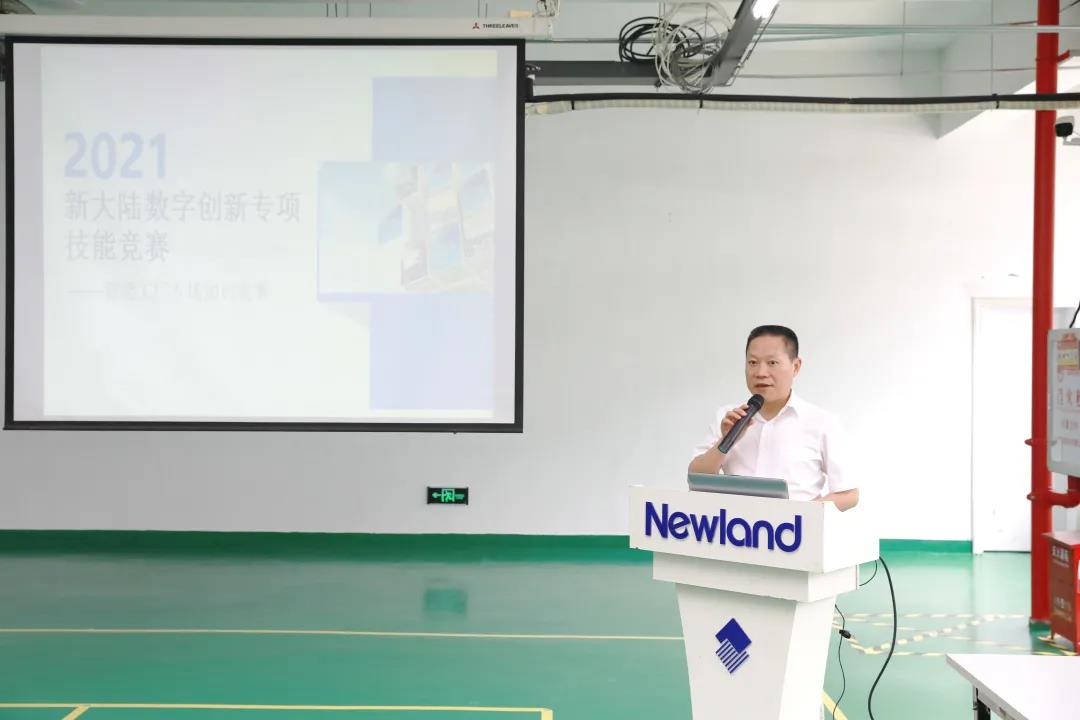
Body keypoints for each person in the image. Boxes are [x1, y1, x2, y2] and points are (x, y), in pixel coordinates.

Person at [688, 325, 859, 511]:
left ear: (795, 366)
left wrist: (801, 515)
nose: (761, 372)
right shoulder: (728, 416)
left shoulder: (822, 423)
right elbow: (696, 479)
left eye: (772, 363)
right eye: (753, 362)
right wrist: (726, 440)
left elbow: (848, 494)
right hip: (734, 525)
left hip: (795, 527)